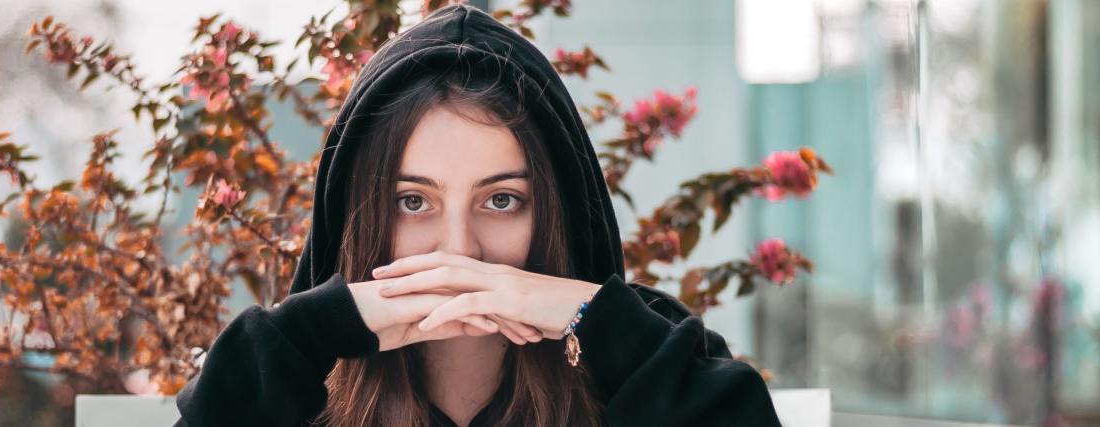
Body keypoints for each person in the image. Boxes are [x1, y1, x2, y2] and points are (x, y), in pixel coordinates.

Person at [174, 4, 781, 426]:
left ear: (555, 209)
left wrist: (590, 318)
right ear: (360, 213)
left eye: (501, 200)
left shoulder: (647, 359)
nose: (457, 249)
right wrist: (311, 332)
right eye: (412, 202)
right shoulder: (294, 383)